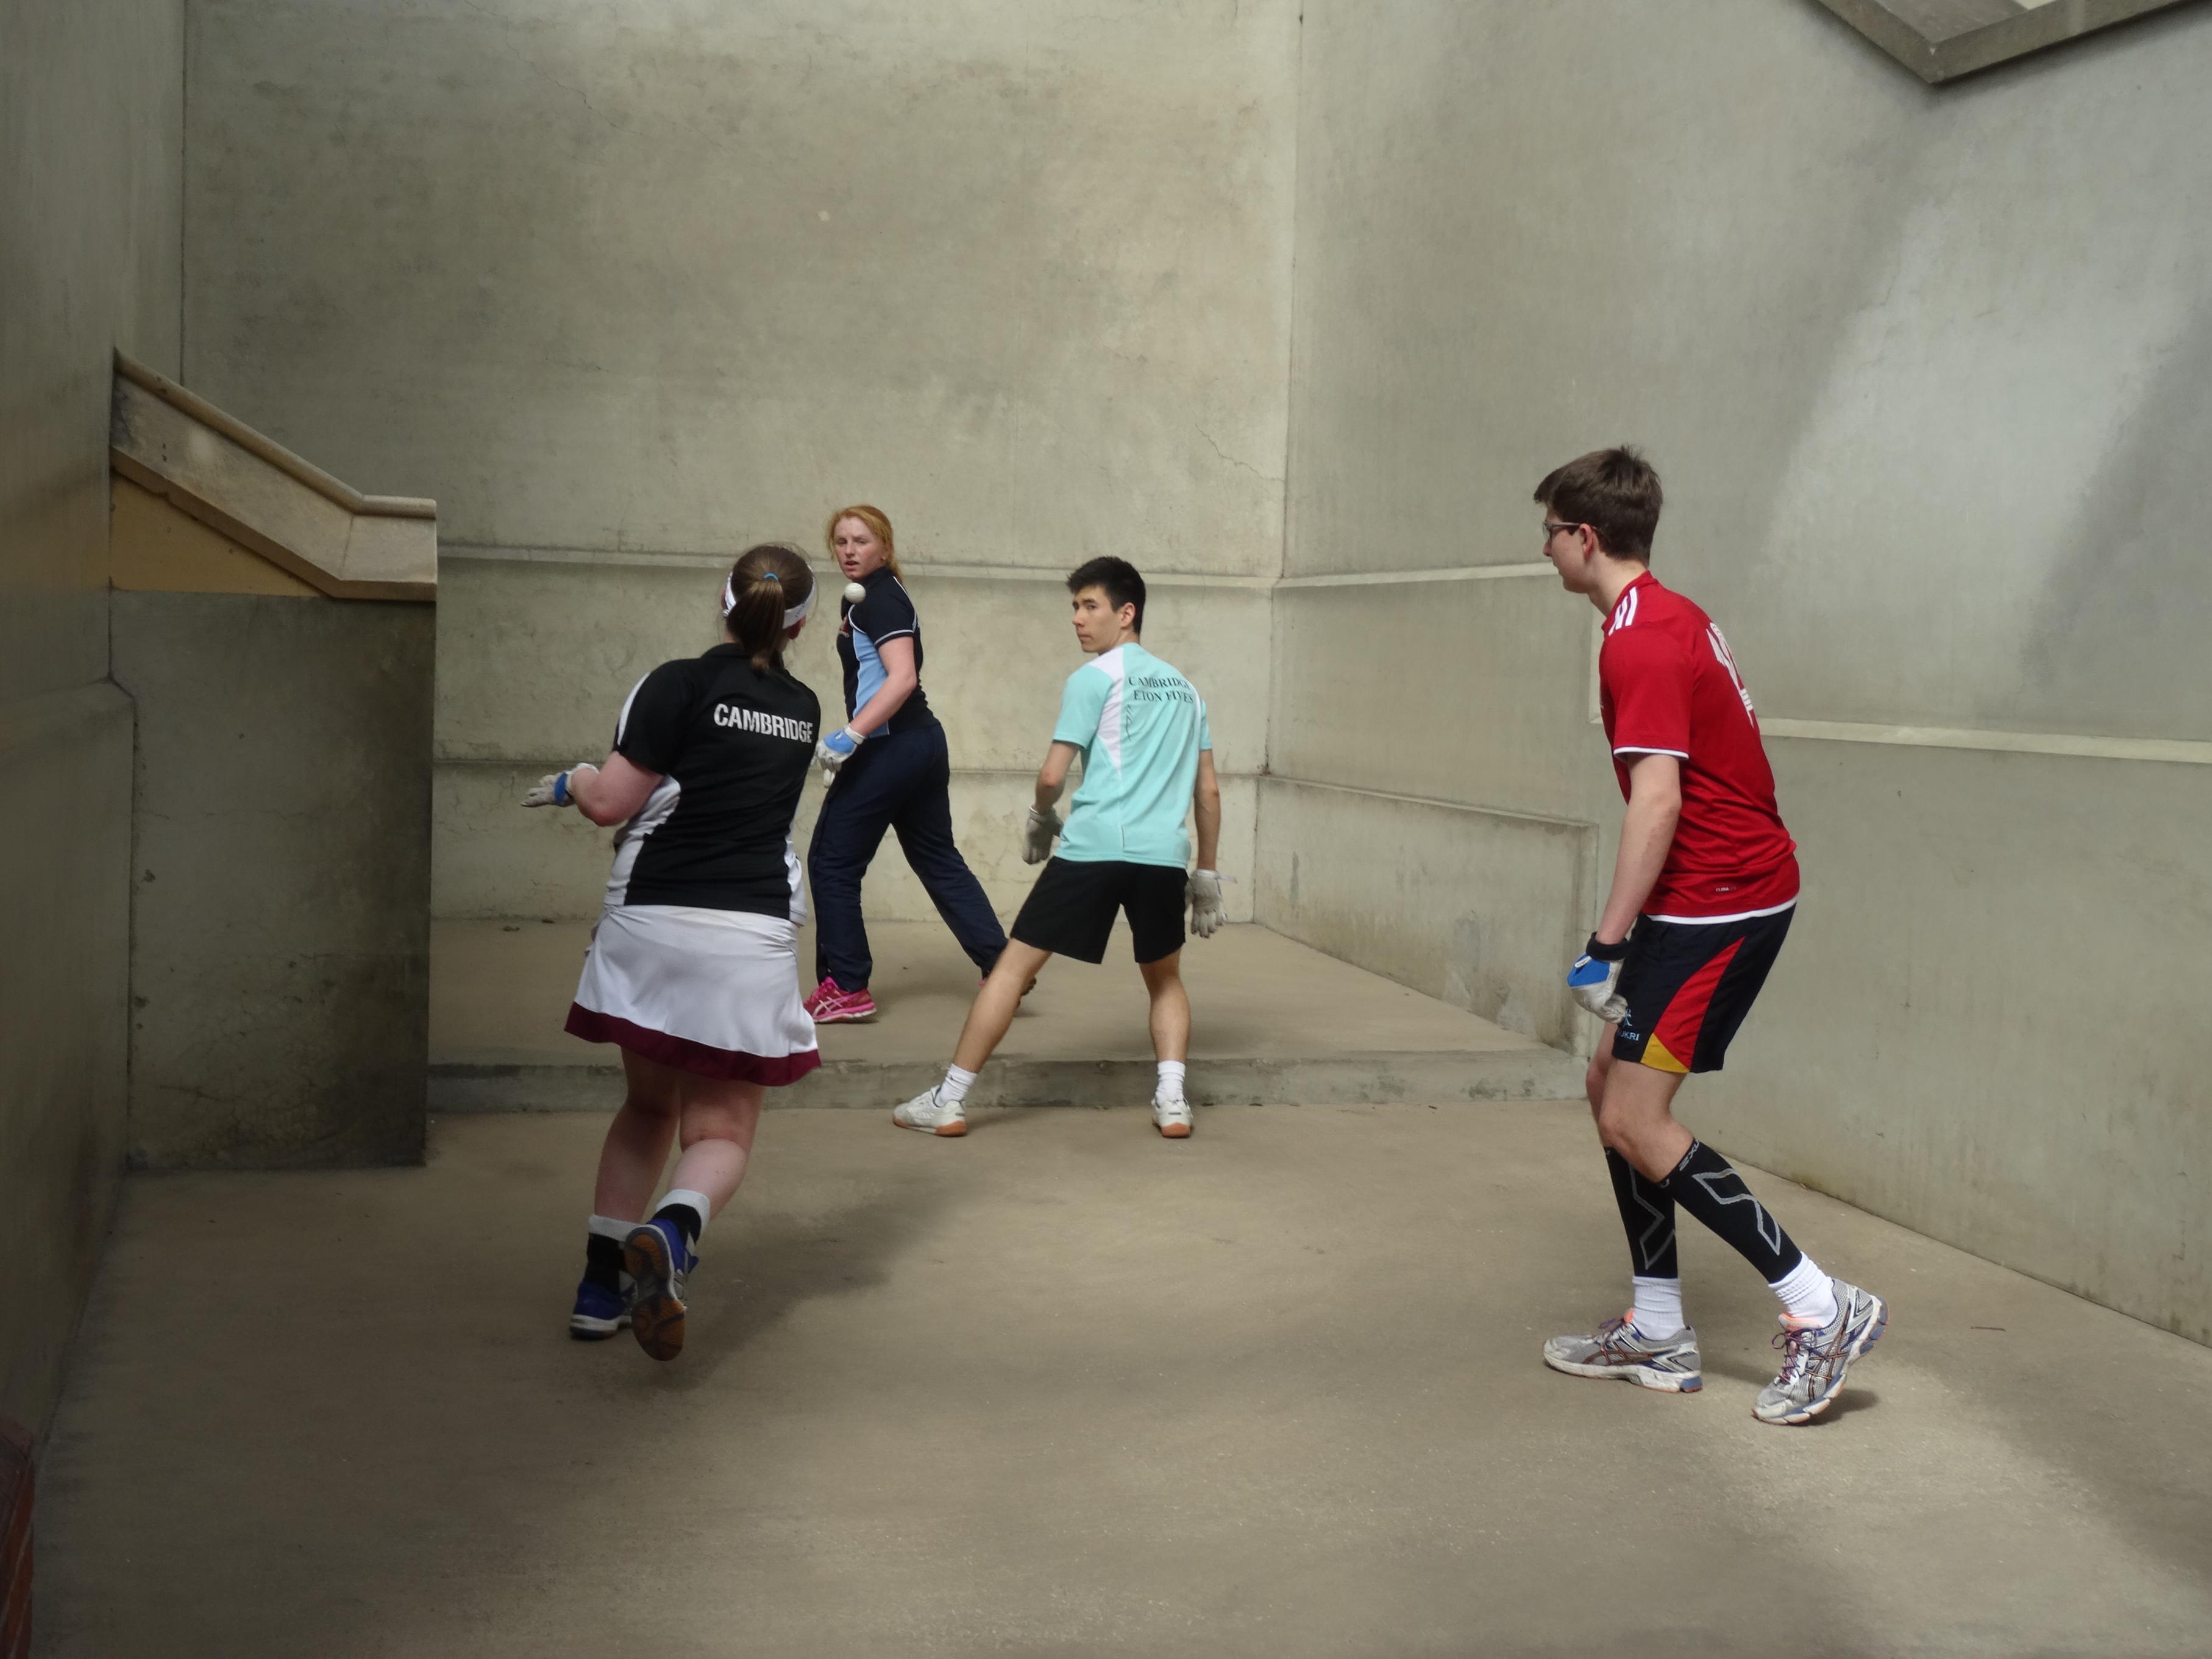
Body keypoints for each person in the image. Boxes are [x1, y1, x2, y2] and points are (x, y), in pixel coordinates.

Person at [1532, 447, 1886, 1424]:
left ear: (1585, 536)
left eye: (1550, 533)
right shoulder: (1664, 615)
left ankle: (1823, 1307)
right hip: (1699, 895)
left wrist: (1605, 943)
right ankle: (1655, 1326)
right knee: (1610, 1083)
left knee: (1639, 1119)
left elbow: (1657, 800)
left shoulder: (1636, 641)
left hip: (1721, 904)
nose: (1546, 550)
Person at [522, 544, 824, 1363]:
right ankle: (672, 1228)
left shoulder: (674, 682)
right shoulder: (802, 708)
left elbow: (612, 800)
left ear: (723, 602)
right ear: (799, 624)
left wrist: (571, 778)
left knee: (648, 1108)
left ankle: (597, 1291)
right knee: (719, 1130)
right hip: (749, 935)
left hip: (651, 922)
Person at [890, 556, 1226, 1140]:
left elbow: (1051, 775)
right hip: (1162, 857)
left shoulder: (1093, 679)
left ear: (1127, 613)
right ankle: (1172, 1101)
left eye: (1089, 605)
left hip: (1094, 849)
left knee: (1010, 970)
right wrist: (1206, 873)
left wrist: (1040, 818)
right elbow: (1208, 791)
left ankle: (949, 1099)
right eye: (1074, 606)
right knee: (1165, 978)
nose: (1077, 618)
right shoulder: (1188, 692)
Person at [805, 505, 1008, 1022]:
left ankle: (847, 986)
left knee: (832, 861)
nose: (849, 551)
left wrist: (852, 734)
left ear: (886, 548)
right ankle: (1001, 965)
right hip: (918, 744)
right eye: (841, 542)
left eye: (861, 541)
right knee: (937, 856)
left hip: (892, 747)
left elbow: (902, 678)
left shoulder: (878, 599)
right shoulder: (874, 597)